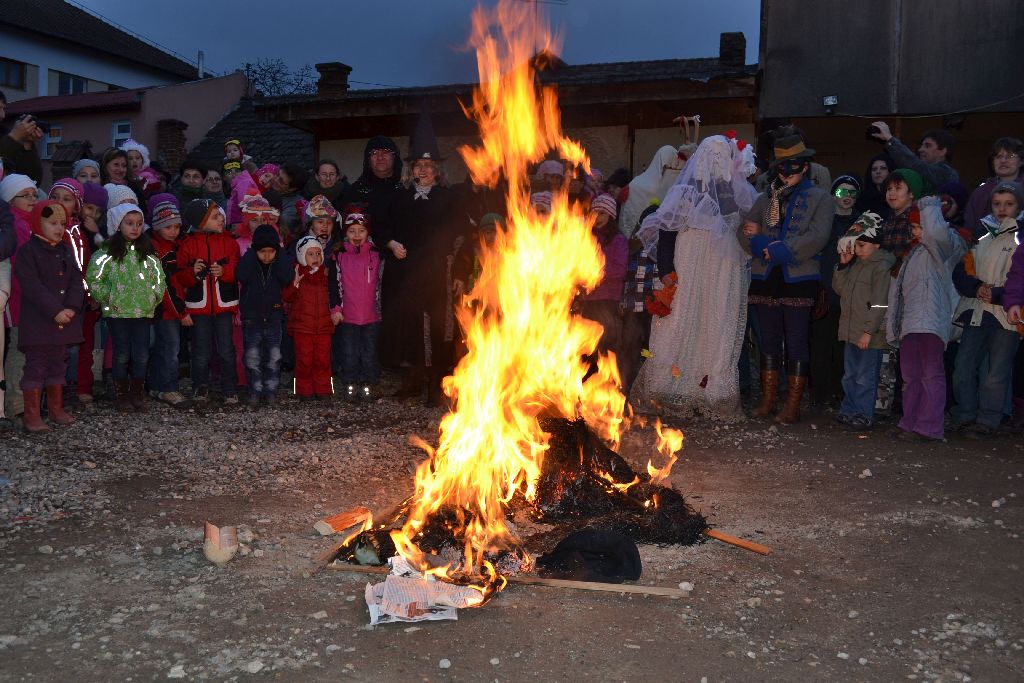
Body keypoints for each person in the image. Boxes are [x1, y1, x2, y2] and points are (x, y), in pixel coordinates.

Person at [632, 134, 758, 419]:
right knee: (681, 318)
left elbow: (752, 229)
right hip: (688, 263)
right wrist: (665, 270)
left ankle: (713, 390)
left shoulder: (740, 194)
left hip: (724, 268)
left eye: (721, 158)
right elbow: (666, 230)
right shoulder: (684, 192)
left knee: (718, 319)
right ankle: (670, 386)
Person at [740, 132, 834, 424]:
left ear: (805, 166)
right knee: (767, 339)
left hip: (799, 277)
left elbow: (817, 237)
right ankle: (768, 399)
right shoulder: (764, 197)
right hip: (766, 277)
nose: (787, 172)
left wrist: (778, 249)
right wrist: (759, 246)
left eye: (793, 165)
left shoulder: (821, 198)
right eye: (782, 166)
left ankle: (792, 405)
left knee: (795, 340)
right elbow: (744, 230)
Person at [386, 123, 460, 403]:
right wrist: (391, 243)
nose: (424, 170)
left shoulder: (449, 198)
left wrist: (459, 270)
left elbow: (461, 237)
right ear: (411, 169)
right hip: (409, 273)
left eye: (429, 165)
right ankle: (415, 381)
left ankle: (438, 385)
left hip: (439, 271)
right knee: (413, 327)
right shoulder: (401, 198)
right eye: (419, 164)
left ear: (437, 170)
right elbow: (384, 227)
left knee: (440, 327)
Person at [886, 199, 966, 441]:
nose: (916, 232)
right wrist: (892, 325)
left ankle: (929, 426)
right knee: (910, 377)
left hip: (932, 323)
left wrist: (929, 207)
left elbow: (936, 236)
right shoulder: (911, 254)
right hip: (910, 324)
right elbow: (897, 293)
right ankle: (908, 422)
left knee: (931, 375)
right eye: (913, 228)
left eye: (920, 227)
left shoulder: (946, 247)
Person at [950, 182, 1023, 437]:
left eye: (1009, 204)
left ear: (1019, 206)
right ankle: (965, 413)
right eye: (997, 203)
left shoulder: (1020, 238)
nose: (1002, 209)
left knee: (996, 372)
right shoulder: (980, 236)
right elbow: (960, 272)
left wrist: (998, 293)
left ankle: (988, 420)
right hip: (975, 310)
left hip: (1006, 316)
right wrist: (977, 287)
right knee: (963, 367)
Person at [87, 202, 165, 412]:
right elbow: (94, 278)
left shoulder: (147, 252)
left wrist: (154, 297)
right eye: (129, 223)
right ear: (117, 225)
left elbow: (159, 277)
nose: (135, 228)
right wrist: (107, 297)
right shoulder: (106, 252)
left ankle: (137, 393)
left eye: (139, 224)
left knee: (141, 354)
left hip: (142, 311)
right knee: (121, 353)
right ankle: (122, 394)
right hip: (117, 311)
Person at [14, 201, 84, 431]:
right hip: (39, 322)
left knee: (58, 365)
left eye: (62, 223)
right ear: (37, 222)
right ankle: (32, 415)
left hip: (64, 321)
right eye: (52, 223)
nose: (58, 228)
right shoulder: (28, 252)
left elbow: (76, 279)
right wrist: (56, 310)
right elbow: (33, 287)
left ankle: (56, 409)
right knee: (36, 367)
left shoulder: (65, 249)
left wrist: (72, 307)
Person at [831, 211, 896, 429]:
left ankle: (863, 413)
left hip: (869, 335)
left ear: (876, 244)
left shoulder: (880, 267)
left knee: (865, 377)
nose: (857, 250)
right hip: (851, 331)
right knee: (850, 375)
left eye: (862, 245)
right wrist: (842, 266)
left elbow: (879, 303)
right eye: (856, 245)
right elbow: (840, 290)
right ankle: (849, 409)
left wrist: (869, 331)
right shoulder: (856, 265)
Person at [176, 199, 241, 404]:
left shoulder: (230, 242)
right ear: (200, 221)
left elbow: (237, 270)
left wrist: (225, 272)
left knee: (226, 351)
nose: (221, 218)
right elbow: (180, 277)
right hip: (198, 308)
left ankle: (229, 389)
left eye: (221, 214)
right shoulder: (187, 244)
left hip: (224, 306)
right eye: (215, 216)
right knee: (201, 351)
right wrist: (192, 273)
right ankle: (200, 387)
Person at [810, 174, 862, 408]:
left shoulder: (863, 224)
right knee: (821, 344)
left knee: (844, 348)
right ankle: (819, 396)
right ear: (833, 194)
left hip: (852, 294)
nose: (847, 197)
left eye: (852, 192)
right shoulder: (824, 222)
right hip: (824, 292)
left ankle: (841, 394)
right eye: (842, 192)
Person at [237, 224, 291, 406]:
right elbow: (241, 275)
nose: (267, 256)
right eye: (262, 252)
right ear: (255, 250)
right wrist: (252, 254)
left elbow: (287, 277)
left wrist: (281, 253)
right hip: (252, 317)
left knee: (274, 357)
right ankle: (255, 390)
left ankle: (271, 391)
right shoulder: (250, 261)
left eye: (271, 251)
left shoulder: (278, 263)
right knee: (252, 357)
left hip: (274, 316)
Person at [145, 195, 192, 409]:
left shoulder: (177, 245)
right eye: (168, 227)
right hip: (166, 310)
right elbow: (166, 287)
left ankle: (156, 386)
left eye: (176, 226)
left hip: (169, 307)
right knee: (170, 349)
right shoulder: (158, 250)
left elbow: (180, 279)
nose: (173, 231)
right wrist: (181, 313)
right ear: (157, 227)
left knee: (164, 348)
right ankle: (168, 388)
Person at [334, 209, 383, 401]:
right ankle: (350, 383)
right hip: (348, 315)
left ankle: (369, 383)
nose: (356, 235)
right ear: (345, 233)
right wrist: (336, 308)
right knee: (349, 352)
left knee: (369, 351)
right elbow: (335, 284)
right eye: (352, 231)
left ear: (367, 233)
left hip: (371, 315)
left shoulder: (377, 254)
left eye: (361, 231)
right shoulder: (339, 255)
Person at [1, 173, 38, 419]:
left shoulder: (32, 221)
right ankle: (15, 404)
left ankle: (27, 402)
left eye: (34, 194)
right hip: (16, 298)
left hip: (30, 297)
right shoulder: (15, 224)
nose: (32, 199)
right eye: (25, 195)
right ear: (10, 199)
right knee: (18, 350)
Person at [284, 235, 339, 400]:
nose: (315, 257)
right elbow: (286, 297)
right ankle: (302, 390)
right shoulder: (297, 274)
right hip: (303, 327)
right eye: (311, 254)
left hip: (323, 327)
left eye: (318, 253)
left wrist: (336, 311)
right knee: (304, 360)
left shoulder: (326, 275)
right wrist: (295, 285)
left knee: (323, 360)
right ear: (302, 256)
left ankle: (324, 390)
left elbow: (335, 294)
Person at [579, 193, 627, 365]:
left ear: (611, 216)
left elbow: (620, 270)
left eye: (602, 213)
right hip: (588, 298)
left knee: (605, 342)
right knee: (586, 343)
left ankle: (606, 380)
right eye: (595, 212)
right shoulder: (587, 237)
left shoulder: (617, 240)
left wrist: (597, 270)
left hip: (607, 299)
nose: (598, 217)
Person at [870, 123, 959, 191]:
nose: (920, 149)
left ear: (943, 151)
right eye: (921, 145)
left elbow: (917, 165)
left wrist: (889, 139)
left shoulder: (946, 173)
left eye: (927, 146)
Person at [619, 146, 685, 237]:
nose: (669, 171)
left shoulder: (674, 187)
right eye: (667, 166)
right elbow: (627, 215)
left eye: (672, 167)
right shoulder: (637, 184)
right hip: (635, 238)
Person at [963, 137, 1024, 237]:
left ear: (1021, 161)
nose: (1003, 160)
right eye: (998, 156)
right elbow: (969, 228)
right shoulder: (980, 193)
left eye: (1010, 156)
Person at [0, 92, 43, 181]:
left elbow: (32, 181)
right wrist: (14, 137)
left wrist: (27, 144)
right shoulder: (10, 137)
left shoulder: (4, 133)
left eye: (3, 109)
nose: (2, 115)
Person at [275, 163, 310, 240]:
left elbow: (282, 224)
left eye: (281, 181)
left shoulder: (295, 205)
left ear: (292, 189)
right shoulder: (269, 189)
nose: (275, 180)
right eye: (277, 174)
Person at [854, 153, 894, 218]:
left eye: (883, 168)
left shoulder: (897, 198)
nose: (878, 172)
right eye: (874, 169)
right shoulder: (862, 200)